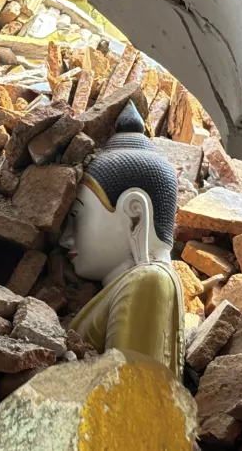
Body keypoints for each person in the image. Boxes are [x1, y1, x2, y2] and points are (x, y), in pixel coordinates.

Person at [60, 102, 185, 378]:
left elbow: (132, 411)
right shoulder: (127, 286)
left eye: (76, 215)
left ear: (135, 216)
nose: (65, 238)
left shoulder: (148, 283)